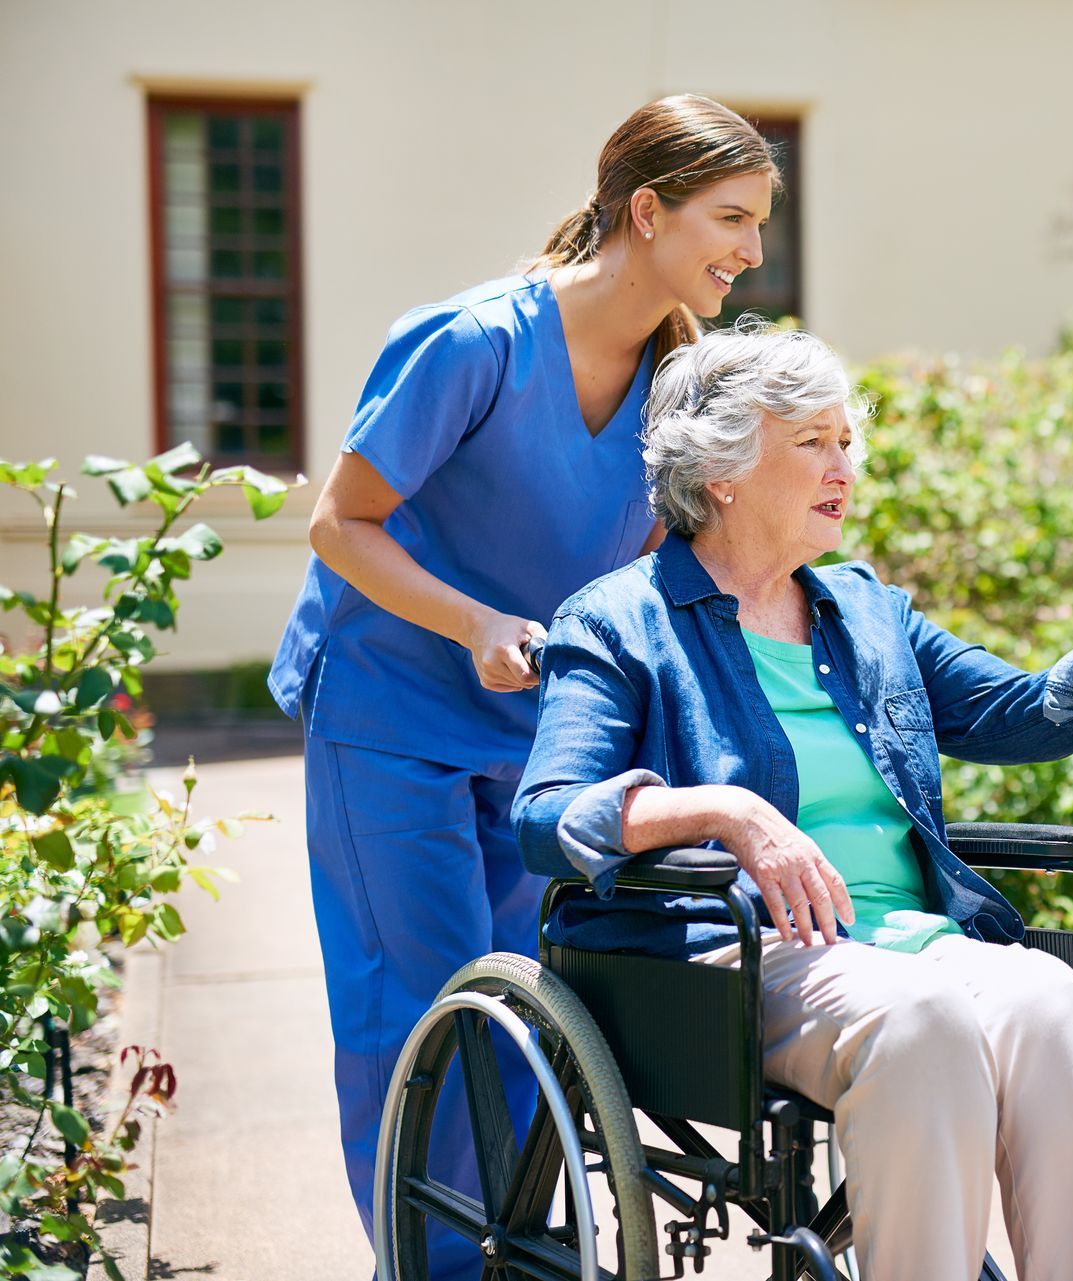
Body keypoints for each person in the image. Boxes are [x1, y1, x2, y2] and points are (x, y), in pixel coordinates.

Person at [514, 323, 1073, 1281]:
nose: (844, 465)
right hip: (737, 956)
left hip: (909, 943)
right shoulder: (619, 620)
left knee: (1050, 1000)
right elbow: (549, 813)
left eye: (846, 440)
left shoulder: (868, 613)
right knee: (920, 1017)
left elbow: (1022, 713)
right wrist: (726, 811)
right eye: (812, 442)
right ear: (722, 470)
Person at [266, 95, 779, 1275]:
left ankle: (520, 1255)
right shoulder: (472, 343)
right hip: (390, 712)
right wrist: (473, 622)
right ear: (646, 211)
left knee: (528, 1020)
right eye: (731, 217)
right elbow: (339, 525)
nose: (752, 251)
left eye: (760, 223)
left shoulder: (680, 383)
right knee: (420, 1009)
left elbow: (670, 566)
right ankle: (438, 1263)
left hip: (536, 733)